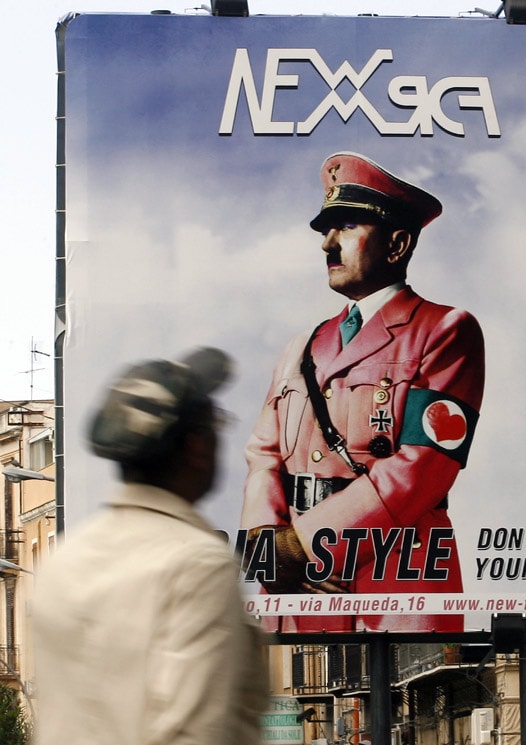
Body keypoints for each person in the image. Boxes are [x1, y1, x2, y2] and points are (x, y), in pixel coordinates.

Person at [241, 152, 485, 633]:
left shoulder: (444, 331)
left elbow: (423, 467)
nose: (328, 245)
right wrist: (269, 549)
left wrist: (308, 545)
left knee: (410, 709)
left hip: (395, 584)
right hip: (301, 590)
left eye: (348, 226)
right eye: (327, 231)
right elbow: (263, 456)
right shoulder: (302, 347)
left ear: (397, 243)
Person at [32, 348, 269, 745]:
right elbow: (195, 734)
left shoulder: (66, 558)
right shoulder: (197, 564)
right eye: (217, 424)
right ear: (196, 446)